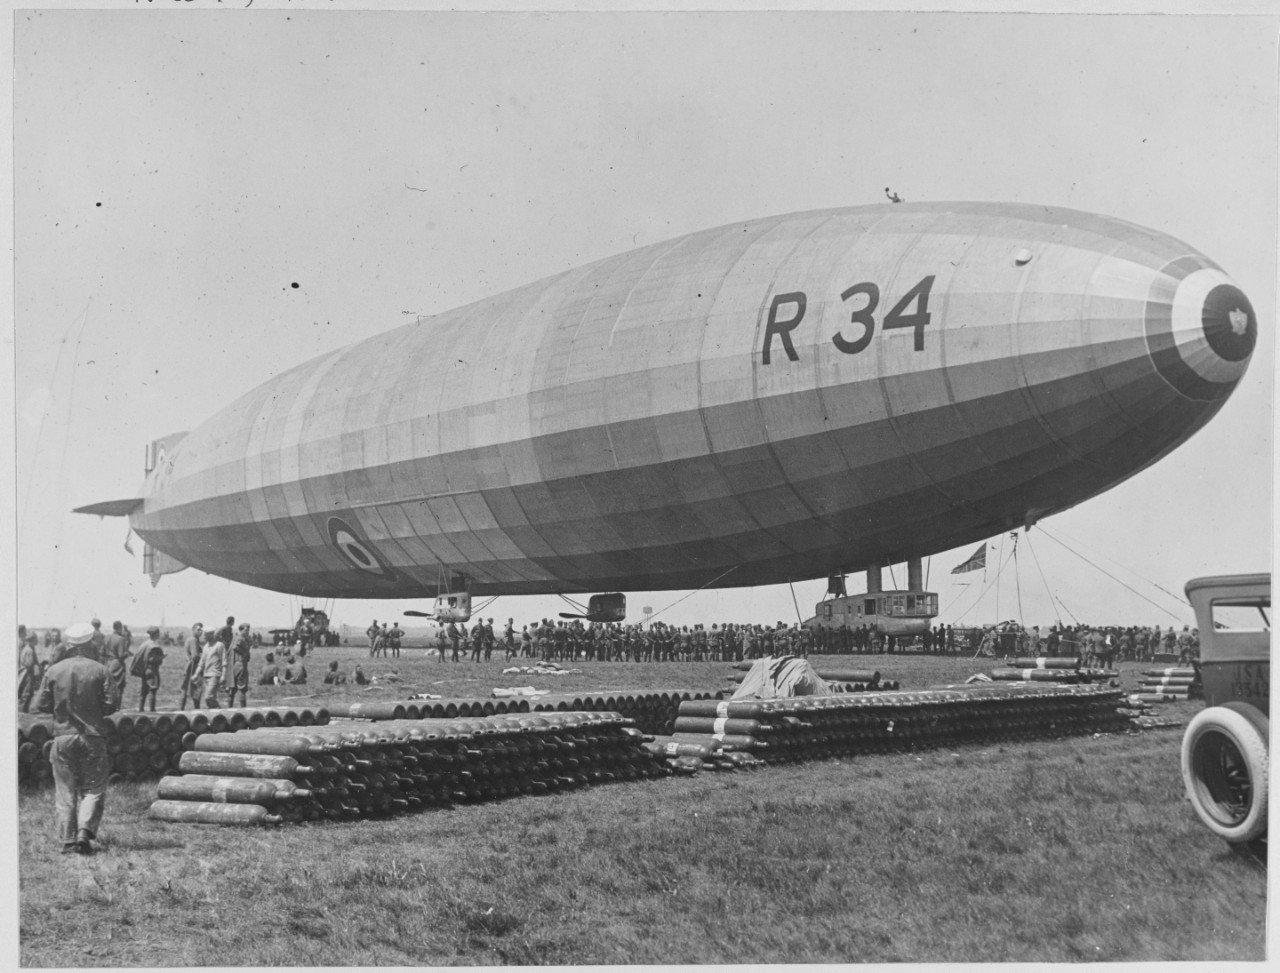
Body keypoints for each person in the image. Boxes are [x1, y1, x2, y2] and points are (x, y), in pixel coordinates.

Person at [35, 621, 120, 855]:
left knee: (65, 790)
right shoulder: (101, 669)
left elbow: (41, 704)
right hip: (93, 736)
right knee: (94, 787)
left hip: (62, 737)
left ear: (70, 645)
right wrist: (94, 710)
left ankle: (68, 840)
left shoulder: (54, 670)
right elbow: (113, 704)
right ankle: (85, 830)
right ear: (90, 643)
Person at [132, 626, 165, 712]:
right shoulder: (153, 645)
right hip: (152, 670)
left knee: (144, 690)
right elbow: (152, 659)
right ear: (156, 634)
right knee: (152, 690)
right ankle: (152, 710)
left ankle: (141, 708)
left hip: (145, 670)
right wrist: (161, 657)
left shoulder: (145, 643)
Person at [191, 629, 226, 708]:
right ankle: (217, 715)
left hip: (215, 674)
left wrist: (223, 675)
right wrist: (196, 675)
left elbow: (224, 661)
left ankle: (219, 710)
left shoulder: (219, 645)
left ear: (211, 635)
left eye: (206, 635)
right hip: (206, 675)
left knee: (208, 697)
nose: (204, 636)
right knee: (209, 700)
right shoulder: (206, 647)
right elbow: (201, 663)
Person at [226, 623, 252, 707]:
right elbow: (235, 647)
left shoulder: (237, 637)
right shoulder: (241, 638)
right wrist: (244, 653)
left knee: (232, 688)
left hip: (233, 664)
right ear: (241, 630)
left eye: (248, 630)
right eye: (246, 630)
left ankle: (229, 708)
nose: (247, 631)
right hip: (240, 664)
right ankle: (243, 709)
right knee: (242, 687)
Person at [179, 623, 204, 709]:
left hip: (188, 666)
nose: (200, 631)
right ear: (193, 630)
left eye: (201, 630)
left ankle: (181, 709)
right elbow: (195, 656)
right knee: (196, 689)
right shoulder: (194, 640)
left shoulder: (190, 639)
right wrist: (204, 656)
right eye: (198, 630)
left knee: (185, 688)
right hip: (193, 667)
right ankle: (197, 709)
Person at [103, 621, 130, 697]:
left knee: (108, 687)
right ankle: (116, 707)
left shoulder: (106, 637)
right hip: (117, 665)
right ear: (120, 628)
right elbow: (121, 655)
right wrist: (127, 654)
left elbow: (103, 652)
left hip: (107, 663)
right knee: (118, 688)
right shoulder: (121, 639)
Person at [19, 631, 40, 713]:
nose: (37, 641)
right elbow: (29, 664)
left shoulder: (27, 648)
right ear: (32, 640)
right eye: (35, 639)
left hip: (26, 673)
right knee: (27, 692)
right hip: (27, 674)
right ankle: (23, 710)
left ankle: (24, 709)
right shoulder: (29, 650)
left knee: (28, 692)